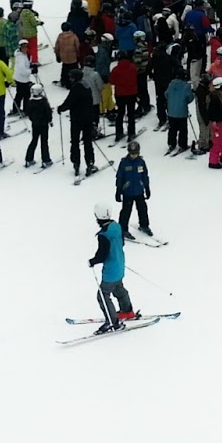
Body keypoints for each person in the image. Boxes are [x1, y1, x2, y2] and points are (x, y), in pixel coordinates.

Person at [87, 202, 135, 334]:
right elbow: (122, 243)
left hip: (111, 270)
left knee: (103, 295)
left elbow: (102, 255)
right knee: (118, 288)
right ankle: (127, 311)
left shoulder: (104, 235)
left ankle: (112, 322)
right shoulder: (116, 226)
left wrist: (92, 261)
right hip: (120, 264)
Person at [59, 69, 101, 177]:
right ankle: (90, 162)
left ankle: (76, 162)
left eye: (71, 77)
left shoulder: (76, 87)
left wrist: (61, 108)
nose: (70, 79)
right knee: (88, 142)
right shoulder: (86, 86)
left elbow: (69, 101)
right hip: (87, 118)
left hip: (77, 119)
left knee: (75, 141)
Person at [115, 140, 153, 239]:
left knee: (142, 209)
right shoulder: (124, 163)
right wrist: (118, 190)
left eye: (136, 153)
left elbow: (144, 175)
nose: (134, 155)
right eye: (132, 153)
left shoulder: (141, 162)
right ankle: (123, 229)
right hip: (127, 192)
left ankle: (144, 225)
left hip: (139, 191)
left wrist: (147, 187)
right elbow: (119, 177)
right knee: (126, 211)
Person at [24, 83, 54, 167]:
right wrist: (50, 120)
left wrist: (33, 119)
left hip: (35, 124)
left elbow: (28, 112)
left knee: (34, 140)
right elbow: (48, 112)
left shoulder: (30, 102)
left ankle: (29, 159)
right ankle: (46, 160)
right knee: (44, 142)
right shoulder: (43, 101)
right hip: (44, 124)